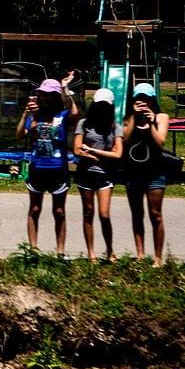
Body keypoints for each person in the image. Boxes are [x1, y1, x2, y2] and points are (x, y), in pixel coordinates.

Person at [16, 75, 80, 256]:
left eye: (50, 94)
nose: (45, 97)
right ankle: (33, 249)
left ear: (56, 96)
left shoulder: (62, 116)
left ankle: (60, 252)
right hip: (37, 168)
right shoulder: (34, 116)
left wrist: (65, 89)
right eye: (43, 94)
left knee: (59, 211)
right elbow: (19, 135)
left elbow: (75, 113)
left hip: (58, 169)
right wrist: (25, 114)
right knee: (35, 209)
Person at [122, 82, 170, 267]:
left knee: (155, 214)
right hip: (133, 172)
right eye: (139, 98)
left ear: (152, 100)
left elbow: (160, 142)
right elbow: (125, 139)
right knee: (137, 214)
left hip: (155, 172)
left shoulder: (161, 117)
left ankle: (158, 258)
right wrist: (134, 118)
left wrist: (150, 124)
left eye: (146, 99)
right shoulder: (129, 117)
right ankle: (140, 254)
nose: (143, 102)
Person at [73, 88, 123, 261]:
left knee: (104, 214)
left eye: (105, 105)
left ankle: (110, 251)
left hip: (105, 176)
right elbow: (77, 149)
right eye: (99, 104)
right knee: (88, 212)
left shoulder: (115, 127)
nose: (102, 108)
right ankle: (91, 254)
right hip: (85, 174)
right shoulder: (84, 124)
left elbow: (118, 154)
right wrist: (101, 156)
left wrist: (92, 151)